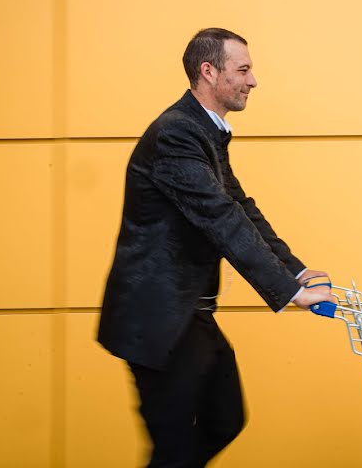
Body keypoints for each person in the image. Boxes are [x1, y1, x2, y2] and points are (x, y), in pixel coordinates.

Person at [97, 28, 336, 468]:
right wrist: (289, 292)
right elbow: (219, 218)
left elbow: (239, 207)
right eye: (243, 69)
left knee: (225, 419)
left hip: (189, 314)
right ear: (209, 72)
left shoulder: (205, 131)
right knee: (171, 450)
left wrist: (296, 271)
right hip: (157, 320)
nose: (253, 81)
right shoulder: (177, 135)